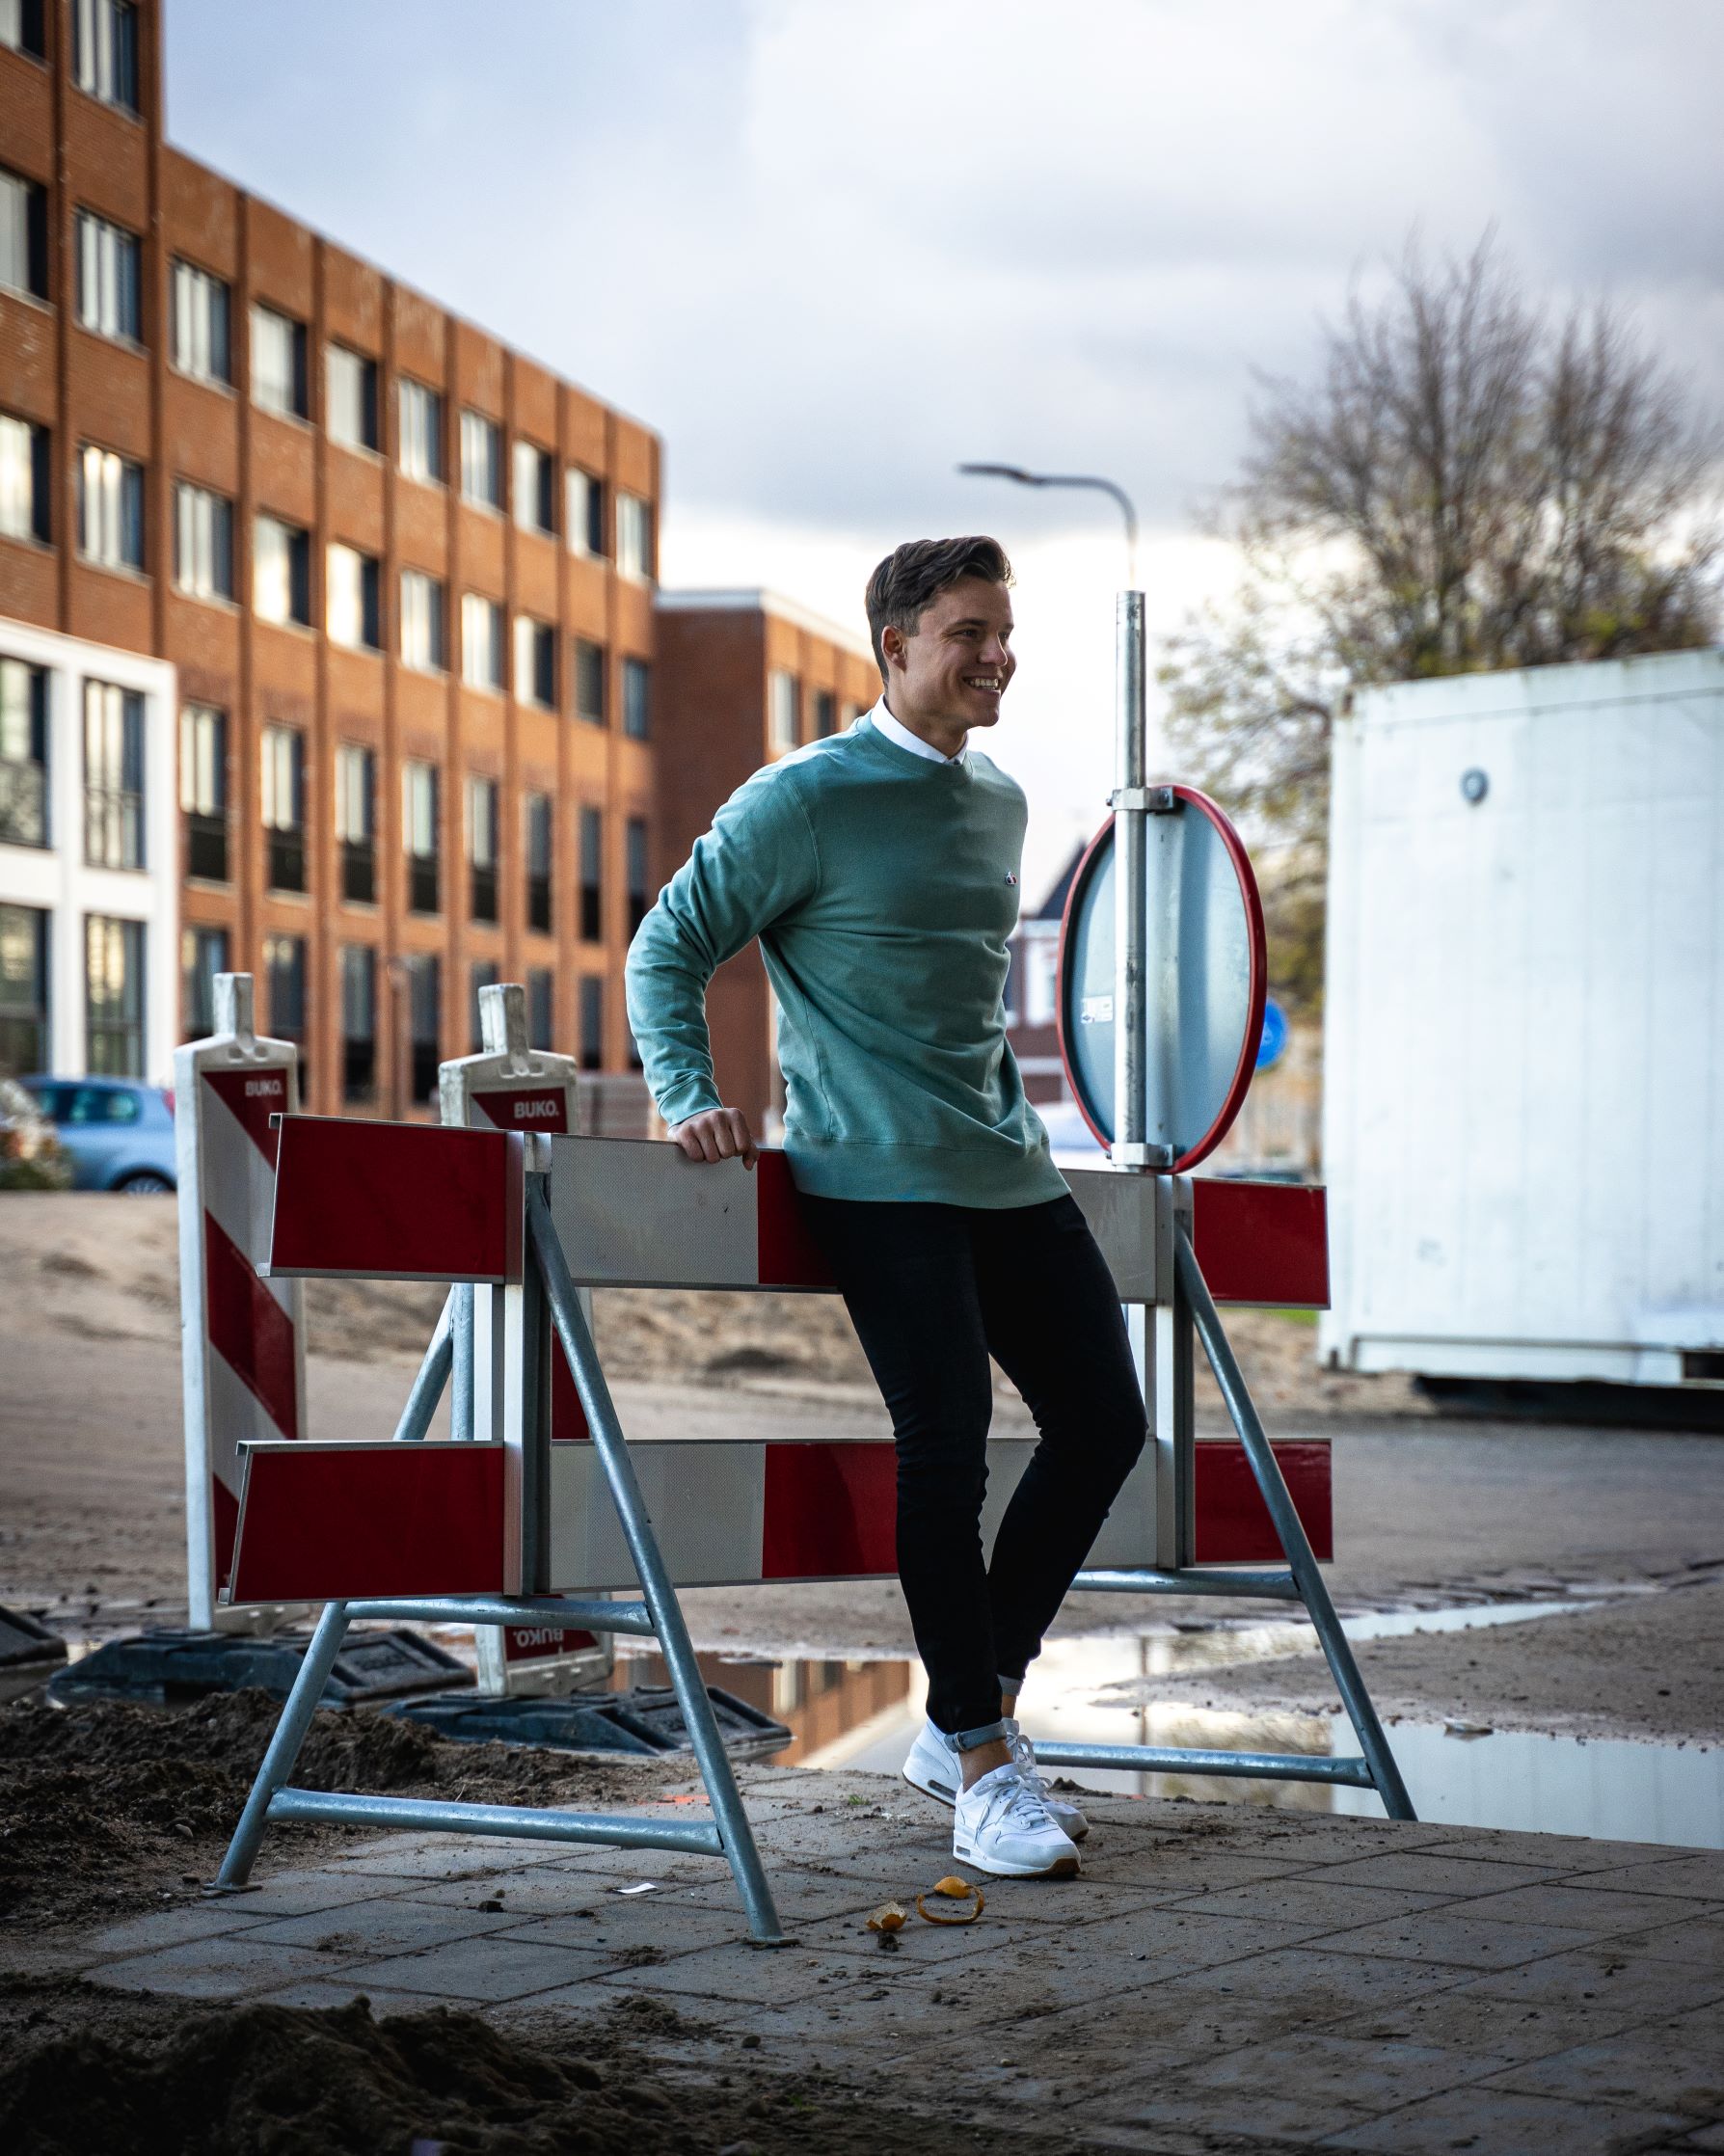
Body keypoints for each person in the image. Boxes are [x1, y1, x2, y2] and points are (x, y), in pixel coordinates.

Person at [625, 536, 1146, 1877]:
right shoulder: (801, 800)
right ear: (896, 648)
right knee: (949, 1445)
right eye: (968, 631)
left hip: (1005, 1163)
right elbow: (667, 947)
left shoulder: (1002, 804)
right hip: (869, 1169)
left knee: (1103, 1420)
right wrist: (689, 1093)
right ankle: (979, 1765)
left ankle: (967, 1713)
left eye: (1004, 631)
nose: (997, 655)